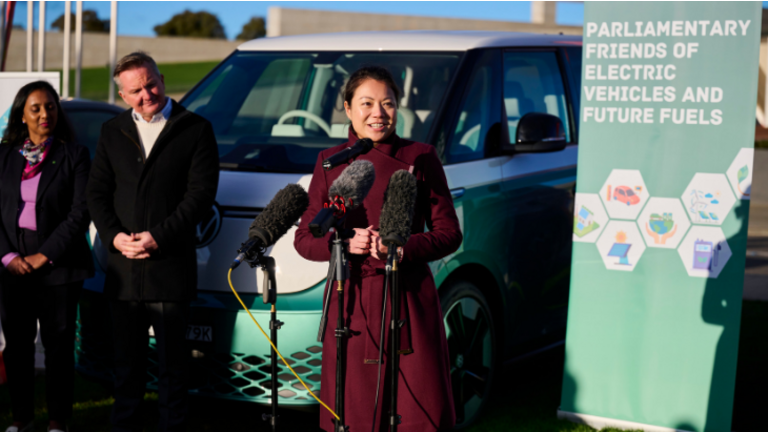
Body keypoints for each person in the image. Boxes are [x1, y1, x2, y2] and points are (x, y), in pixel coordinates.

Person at [294, 66, 462, 432]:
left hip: (408, 300)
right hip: (351, 301)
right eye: (367, 103)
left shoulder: (420, 156)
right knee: (354, 411)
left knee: (416, 412)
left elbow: (449, 233)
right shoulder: (329, 162)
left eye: (388, 103)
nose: (378, 113)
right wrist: (341, 243)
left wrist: (401, 248)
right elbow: (305, 239)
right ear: (348, 107)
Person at [86, 52, 219, 432]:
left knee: (173, 367)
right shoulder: (112, 131)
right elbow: (97, 193)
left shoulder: (195, 128)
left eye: (151, 84)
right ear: (122, 96)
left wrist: (159, 236)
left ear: (161, 78)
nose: (146, 95)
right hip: (124, 269)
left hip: (170, 267)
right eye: (135, 91)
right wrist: (114, 237)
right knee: (125, 366)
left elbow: (200, 195)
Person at [0, 81, 94, 432]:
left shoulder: (74, 155)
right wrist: (7, 256)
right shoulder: (3, 156)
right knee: (17, 346)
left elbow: (80, 212)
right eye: (36, 108)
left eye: (51, 106)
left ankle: (57, 421)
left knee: (58, 346)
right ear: (21, 115)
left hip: (59, 264)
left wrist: (45, 255)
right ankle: (21, 418)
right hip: (12, 264)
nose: (45, 114)